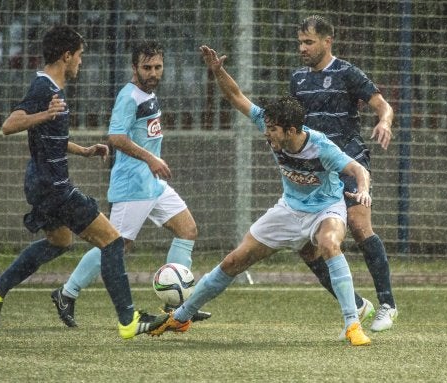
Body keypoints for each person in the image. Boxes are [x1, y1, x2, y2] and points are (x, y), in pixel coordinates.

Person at [146, 45, 373, 346]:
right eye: (267, 127)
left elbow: (359, 170)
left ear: (292, 130)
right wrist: (218, 71)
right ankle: (182, 316)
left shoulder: (321, 146)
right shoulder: (270, 124)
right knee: (232, 262)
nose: (267, 134)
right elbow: (236, 96)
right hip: (288, 210)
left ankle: (352, 325)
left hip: (325, 209)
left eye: (274, 130)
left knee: (330, 243)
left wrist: (364, 190)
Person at [0, 25, 165, 340]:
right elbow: (10, 125)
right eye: (79, 56)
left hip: (40, 182)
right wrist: (44, 115)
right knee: (112, 241)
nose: (81, 62)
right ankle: (129, 320)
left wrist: (84, 150)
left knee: (60, 241)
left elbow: (50, 138)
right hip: (54, 187)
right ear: (66, 56)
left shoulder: (52, 90)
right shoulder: (44, 89)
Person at [49, 39, 210, 328]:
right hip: (132, 186)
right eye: (147, 67)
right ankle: (66, 293)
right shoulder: (129, 96)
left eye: (158, 67)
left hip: (153, 183)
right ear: (134, 67)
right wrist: (150, 158)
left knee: (187, 229)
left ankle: (179, 304)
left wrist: (151, 163)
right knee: (115, 245)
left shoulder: (149, 93)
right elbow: (116, 137)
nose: (153, 73)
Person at [290, 15, 397, 332]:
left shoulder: (347, 73)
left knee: (359, 223)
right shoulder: (297, 80)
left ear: (327, 41)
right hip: (315, 168)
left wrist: (385, 121)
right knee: (307, 245)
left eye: (309, 42)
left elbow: (383, 105)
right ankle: (359, 305)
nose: (303, 48)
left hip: (349, 158)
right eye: (300, 42)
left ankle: (388, 305)